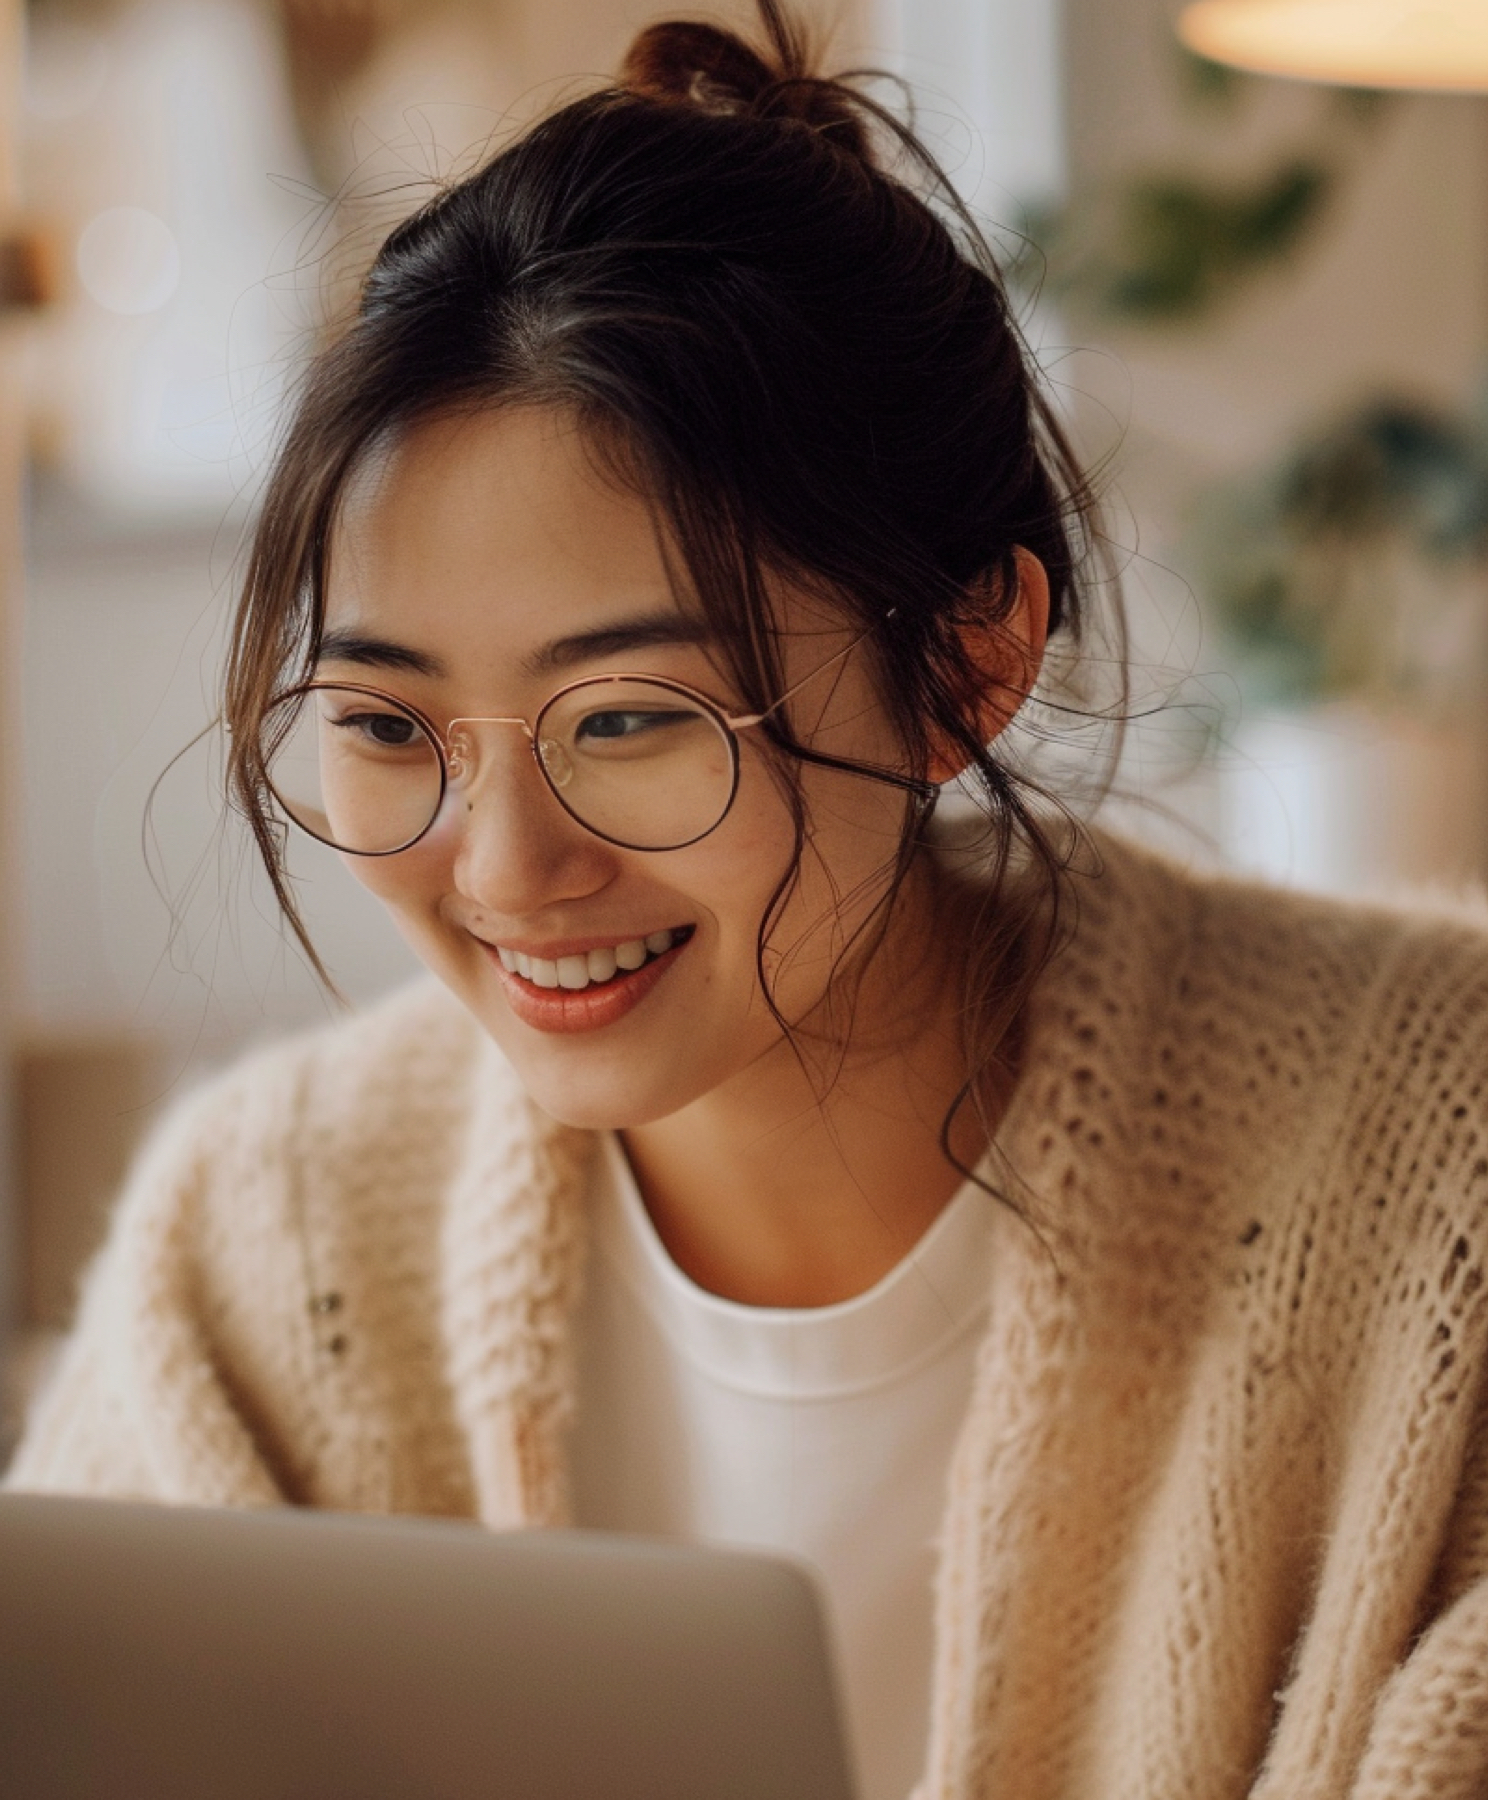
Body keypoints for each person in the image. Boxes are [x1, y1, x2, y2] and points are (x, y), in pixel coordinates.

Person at [8, 4, 1488, 1796]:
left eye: (631, 717)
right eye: (391, 724)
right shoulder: (258, 1248)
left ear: (972, 659)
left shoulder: (1441, 1175)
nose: (503, 871)